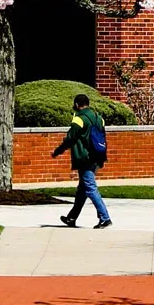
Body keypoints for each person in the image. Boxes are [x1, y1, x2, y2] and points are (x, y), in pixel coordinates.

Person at [54, 92, 111, 228]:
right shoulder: (99, 118)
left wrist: (58, 151)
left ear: (76, 104)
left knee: (90, 187)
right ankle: (71, 218)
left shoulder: (79, 119)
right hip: (97, 156)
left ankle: (105, 218)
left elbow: (70, 138)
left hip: (85, 158)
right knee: (82, 189)